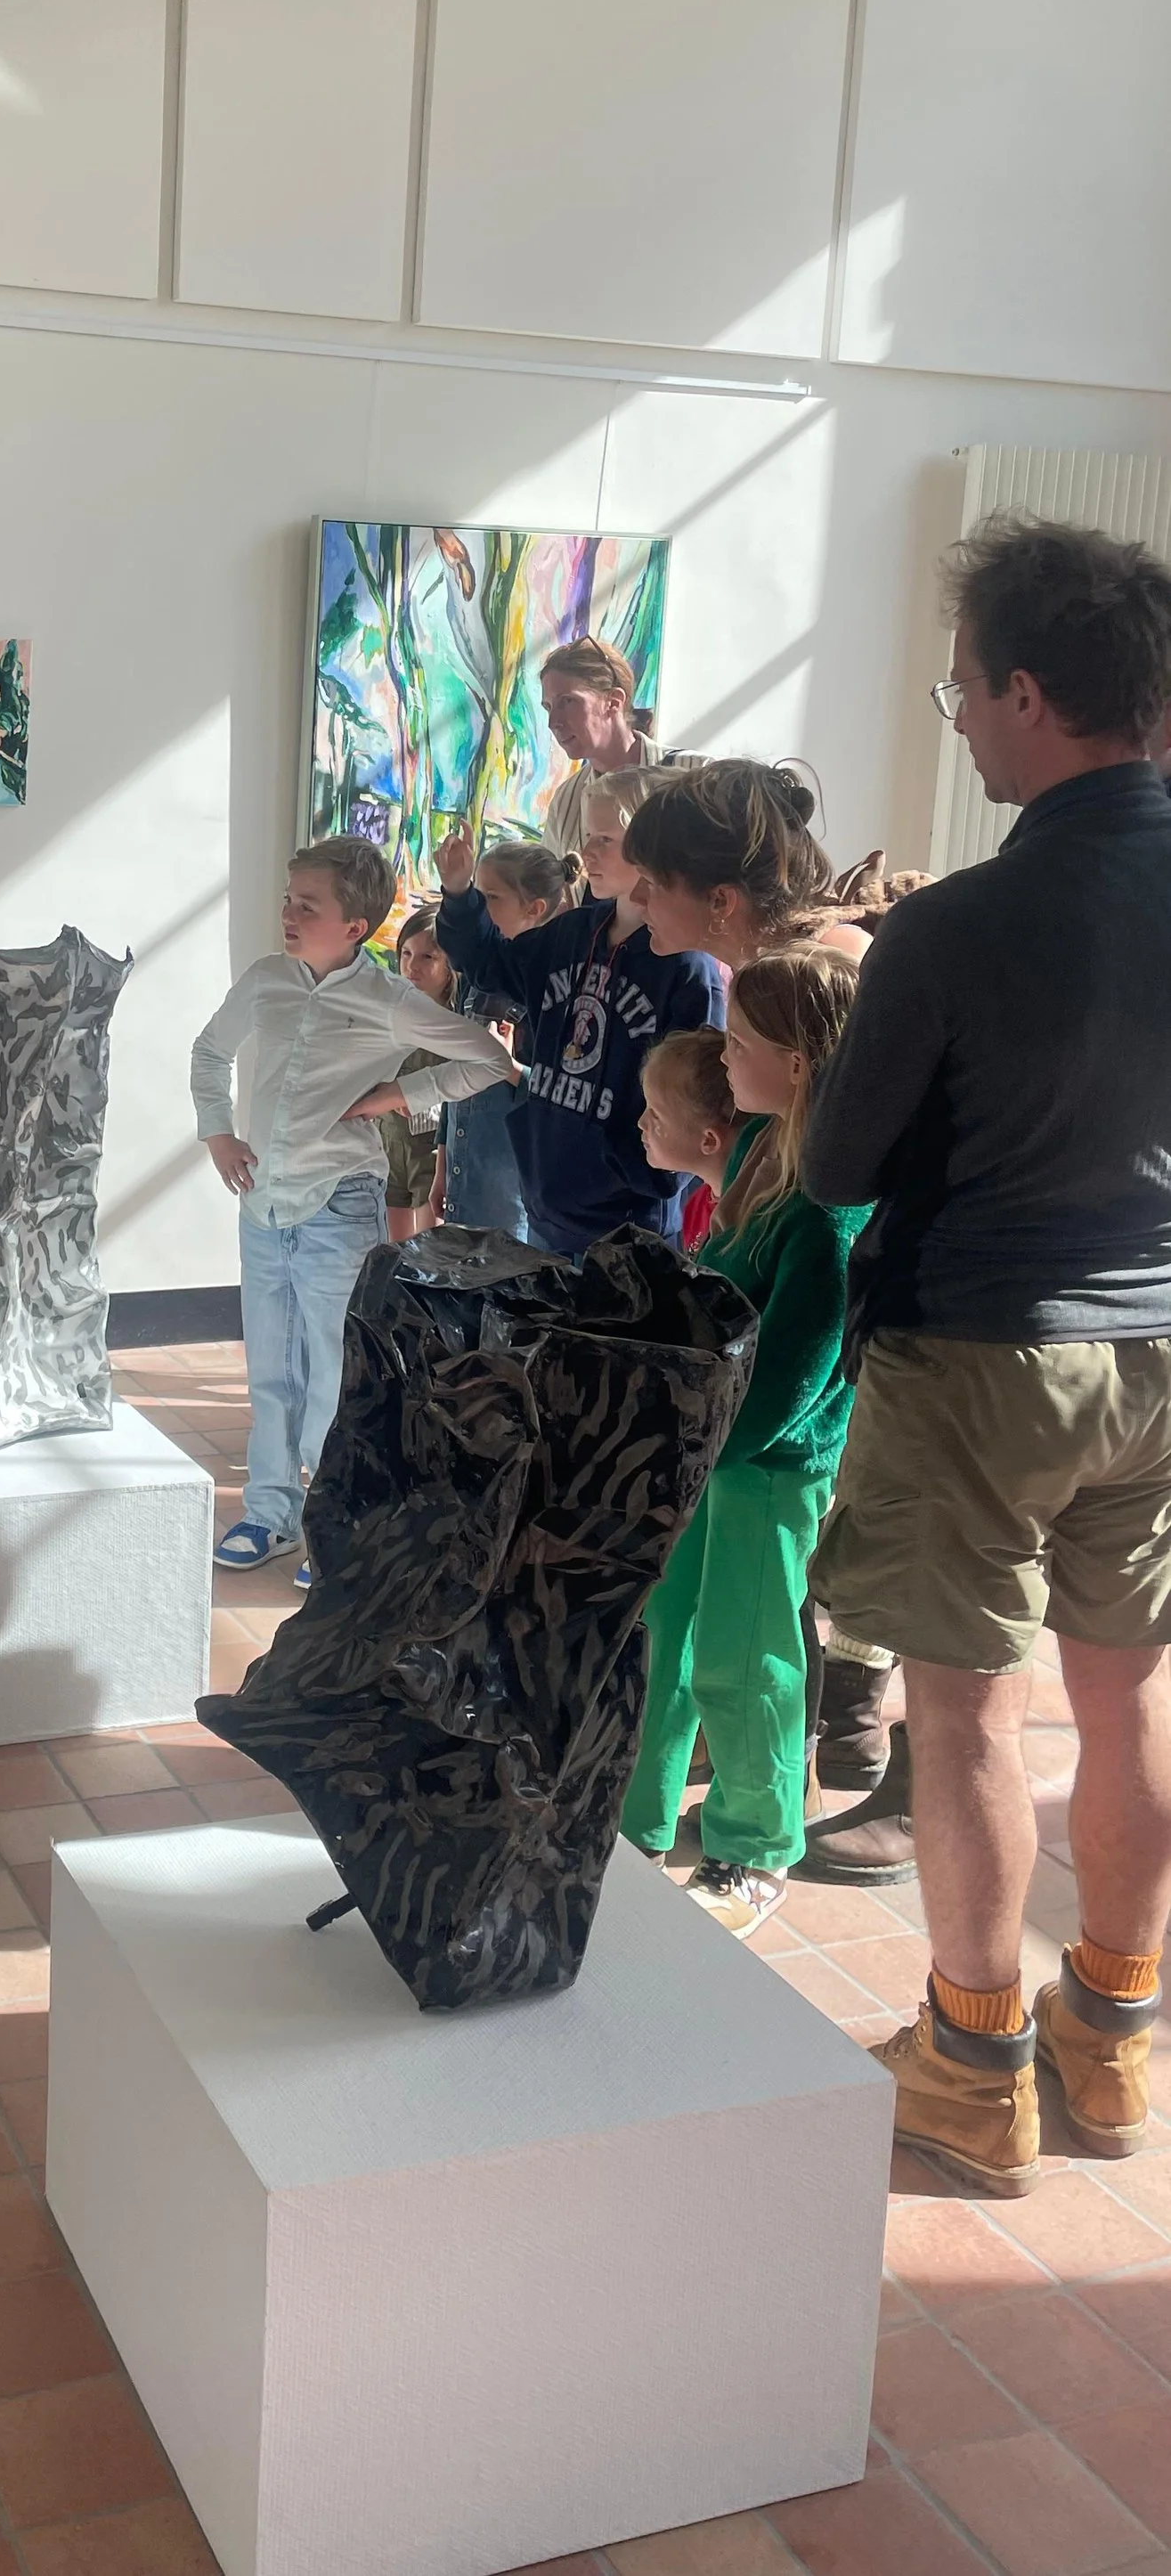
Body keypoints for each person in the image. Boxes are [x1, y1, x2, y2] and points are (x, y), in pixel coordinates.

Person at [802, 514, 1171, 2197]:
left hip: (983, 1355)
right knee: (1129, 1697)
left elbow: (836, 1170)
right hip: (1159, 1353)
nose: (957, 720)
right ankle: (1110, 2032)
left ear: (1027, 693)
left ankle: (972, 2057)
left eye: (960, 691)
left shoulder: (954, 927)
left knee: (963, 1714)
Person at [620, 950, 866, 1934]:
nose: (724, 1057)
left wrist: (700, 1453)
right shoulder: (764, 1166)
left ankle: (754, 1844)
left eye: (739, 1043)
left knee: (747, 1653)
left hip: (766, 1467)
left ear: (797, 1063)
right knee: (664, 1633)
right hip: (705, 1456)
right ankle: (633, 1810)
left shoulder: (825, 1201)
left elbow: (797, 1375)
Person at [191, 837, 512, 1570]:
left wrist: (400, 1094)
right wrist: (218, 1133)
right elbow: (209, 1052)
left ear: (355, 925)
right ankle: (271, 1510)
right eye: (287, 899)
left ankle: (341, 1519)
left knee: (338, 1371)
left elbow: (490, 1060)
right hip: (262, 1205)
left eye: (310, 904)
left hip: (338, 1204)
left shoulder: (387, 1000)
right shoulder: (267, 979)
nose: (290, 913)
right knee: (272, 1368)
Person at [435, 770, 722, 1258]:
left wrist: (633, 1168)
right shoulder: (569, 934)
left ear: (652, 845)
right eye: (589, 836)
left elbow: (698, 1097)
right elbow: (489, 966)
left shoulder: (688, 966)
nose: (588, 852)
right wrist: (461, 894)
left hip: (627, 1231)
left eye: (605, 839)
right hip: (548, 1208)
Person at [439, 838, 575, 1242]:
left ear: (534, 908)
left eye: (490, 897)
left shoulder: (557, 989)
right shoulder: (477, 978)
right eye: (475, 896)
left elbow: (564, 1093)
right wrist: (443, 1162)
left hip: (514, 1182)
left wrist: (512, 1069)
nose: (479, 908)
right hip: (466, 1166)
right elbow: (454, 1075)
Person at [623, 757, 874, 969]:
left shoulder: (831, 966)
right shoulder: (753, 969)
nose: (635, 897)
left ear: (719, 901)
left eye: (649, 882)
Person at [538, 636, 675, 863]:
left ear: (613, 701)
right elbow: (554, 893)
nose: (553, 722)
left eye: (568, 702)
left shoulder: (695, 776)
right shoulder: (566, 802)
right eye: (549, 707)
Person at [378, 906, 451, 1241]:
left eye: (427, 957)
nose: (412, 966)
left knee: (428, 1248)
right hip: (389, 1142)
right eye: (406, 953)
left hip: (430, 1151)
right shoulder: (390, 1012)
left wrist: (418, 1100)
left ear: (449, 966)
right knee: (393, 1250)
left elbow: (461, 1093)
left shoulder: (455, 1024)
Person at [638, 1025, 740, 1252]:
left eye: (656, 1114)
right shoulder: (698, 1205)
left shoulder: (747, 1220)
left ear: (710, 1141)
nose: (641, 1123)